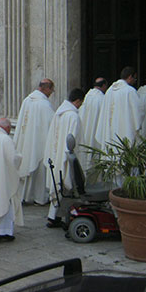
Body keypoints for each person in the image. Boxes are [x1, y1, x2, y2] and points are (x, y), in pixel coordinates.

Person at [43, 88, 84, 228]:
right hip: (66, 156)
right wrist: (70, 158)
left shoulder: (59, 113)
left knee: (58, 187)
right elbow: (72, 140)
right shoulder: (73, 116)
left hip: (56, 154)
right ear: (78, 100)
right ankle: (65, 217)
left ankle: (53, 217)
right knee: (66, 187)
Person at [14, 79, 55, 205]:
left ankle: (24, 196)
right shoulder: (44, 104)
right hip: (38, 142)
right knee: (39, 168)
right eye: (52, 90)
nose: (52, 92)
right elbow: (51, 125)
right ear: (46, 89)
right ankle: (39, 197)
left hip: (26, 140)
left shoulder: (28, 100)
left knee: (27, 164)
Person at [95, 66, 144, 148]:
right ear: (130, 77)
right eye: (134, 79)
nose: (134, 81)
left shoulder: (109, 91)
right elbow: (139, 113)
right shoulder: (130, 91)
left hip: (110, 135)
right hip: (126, 132)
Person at [78, 77, 108, 171]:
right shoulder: (102, 99)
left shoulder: (87, 96)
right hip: (97, 132)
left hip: (86, 131)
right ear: (104, 86)